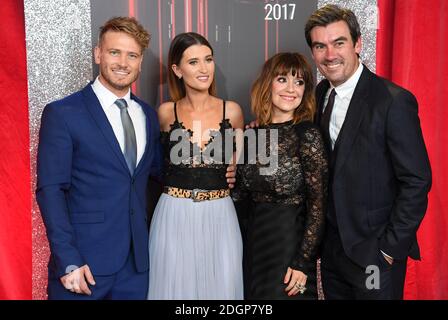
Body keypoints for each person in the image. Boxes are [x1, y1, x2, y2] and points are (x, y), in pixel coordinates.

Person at [304, 4, 432, 299]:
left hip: (374, 257)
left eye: (339, 43)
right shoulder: (318, 95)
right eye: (320, 46)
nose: (330, 54)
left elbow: (417, 181)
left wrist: (389, 249)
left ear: (358, 44)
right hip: (333, 253)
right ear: (313, 52)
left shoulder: (392, 101)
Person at [36, 16, 160, 300]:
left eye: (132, 55)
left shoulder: (148, 115)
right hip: (83, 267)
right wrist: (68, 259)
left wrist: (219, 165)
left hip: (136, 267)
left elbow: (159, 172)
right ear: (98, 54)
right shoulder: (64, 113)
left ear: (141, 62)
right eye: (114, 52)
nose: (123, 63)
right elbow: (51, 190)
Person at [147, 32, 245, 299]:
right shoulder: (165, 113)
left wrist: (237, 166)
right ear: (177, 70)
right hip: (174, 215)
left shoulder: (233, 111)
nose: (204, 69)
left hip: (220, 216)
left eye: (208, 59)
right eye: (193, 62)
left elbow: (245, 160)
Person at [232, 52, 328, 299]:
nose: (291, 89)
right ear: (268, 83)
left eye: (299, 82)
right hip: (252, 247)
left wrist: (302, 263)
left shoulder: (307, 135)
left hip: (288, 249)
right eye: (282, 79)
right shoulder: (252, 134)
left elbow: (318, 207)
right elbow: (240, 197)